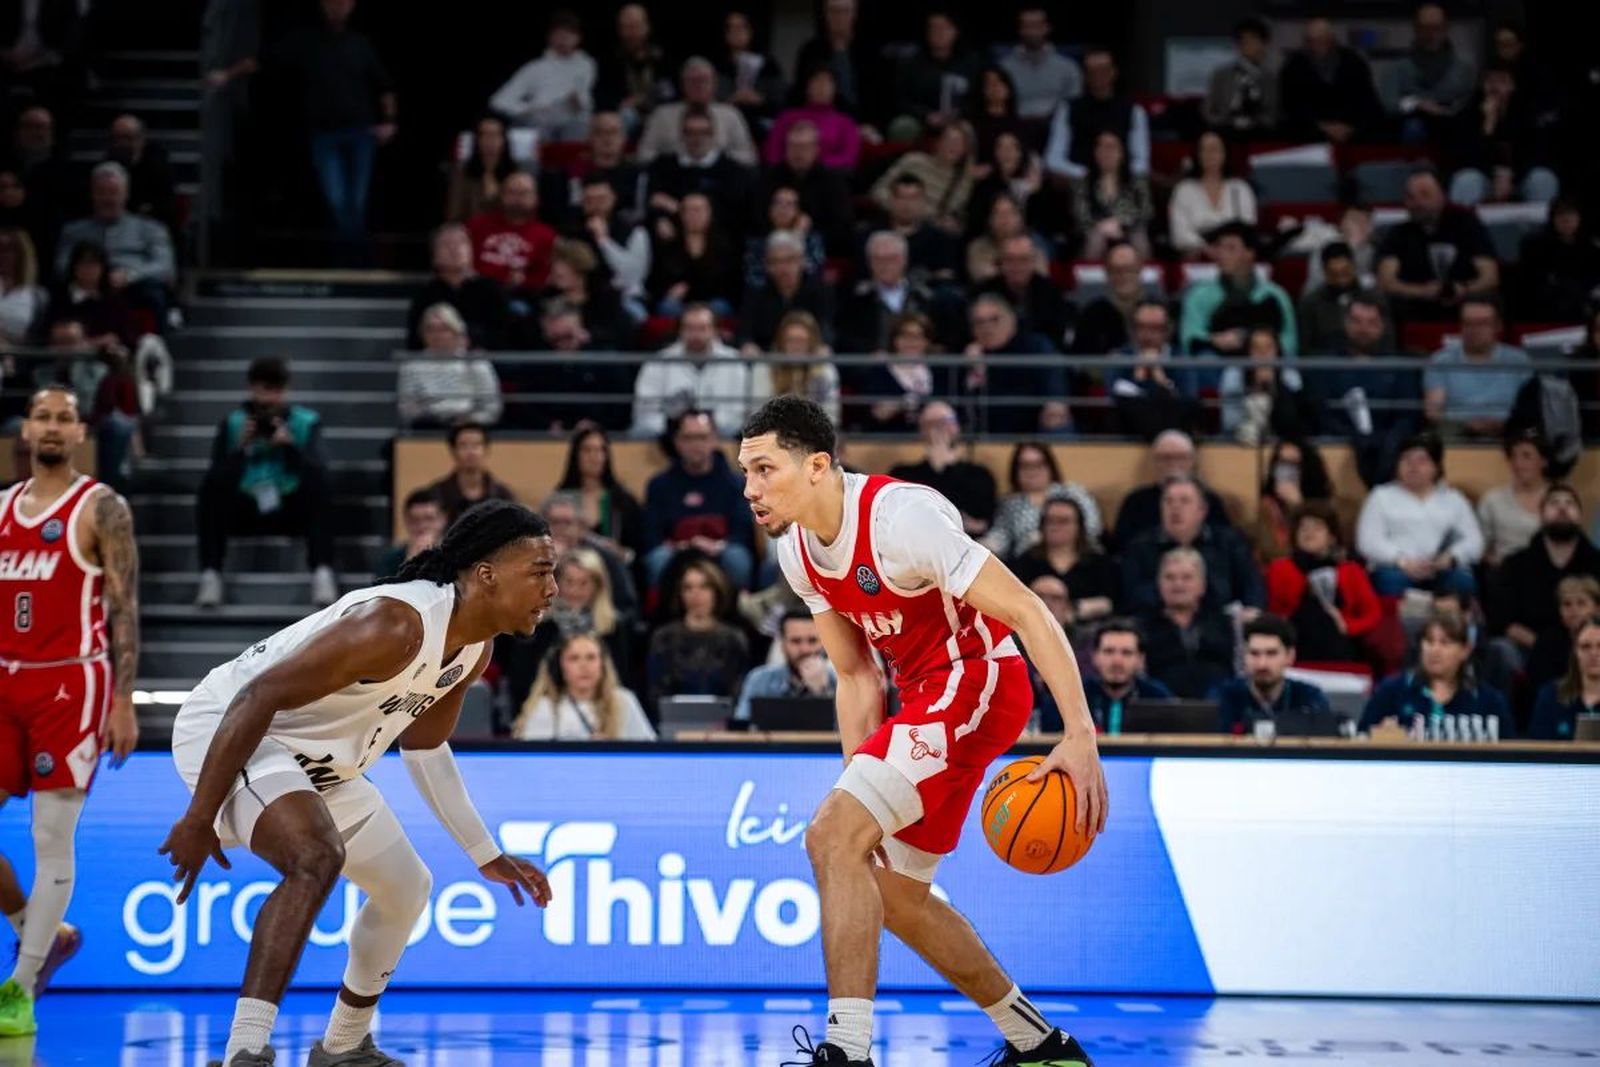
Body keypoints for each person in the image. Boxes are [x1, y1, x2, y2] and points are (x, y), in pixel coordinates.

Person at [736, 395, 1104, 1067]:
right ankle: (1043, 1046)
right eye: (746, 472)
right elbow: (855, 678)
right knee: (896, 896)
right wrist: (862, 795)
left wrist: (1080, 731)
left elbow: (1025, 607)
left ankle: (847, 1053)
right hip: (923, 698)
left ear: (817, 465)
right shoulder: (797, 552)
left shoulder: (901, 520)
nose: (750, 488)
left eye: (765, 469)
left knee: (829, 835)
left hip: (980, 680)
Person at [162, 501, 556, 1066]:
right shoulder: (396, 623)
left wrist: (483, 853)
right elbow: (258, 697)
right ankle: (244, 1051)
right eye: (540, 571)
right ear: (486, 575)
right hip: (232, 728)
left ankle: (344, 1047)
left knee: (406, 887)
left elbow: (424, 746)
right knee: (316, 856)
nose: (553, 588)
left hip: (318, 762)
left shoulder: (472, 648)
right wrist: (200, 817)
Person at [0, 385, 140, 1036]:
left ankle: (21, 986)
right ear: (25, 429)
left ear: (80, 431)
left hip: (70, 683)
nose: (52, 426)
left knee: (49, 835)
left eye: (63, 417)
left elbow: (124, 607)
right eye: (41, 416)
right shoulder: (1, 508)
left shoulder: (101, 506)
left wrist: (122, 699)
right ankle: (40, 930)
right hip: (5, 680)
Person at [194, 358, 335, 609]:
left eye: (276, 391)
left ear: (286, 390)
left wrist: (290, 446)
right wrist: (240, 448)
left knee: (321, 485)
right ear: (252, 389)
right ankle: (211, 573)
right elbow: (216, 475)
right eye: (264, 391)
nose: (269, 401)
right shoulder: (233, 423)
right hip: (246, 506)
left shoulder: (306, 422)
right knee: (210, 489)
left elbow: (317, 472)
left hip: (289, 506)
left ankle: (322, 570)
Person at [272, 0, 396, 240]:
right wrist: (227, 74)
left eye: (342, 3)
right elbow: (266, 60)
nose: (336, 7)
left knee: (357, 202)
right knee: (338, 200)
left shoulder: (360, 45)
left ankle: (355, 263)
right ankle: (350, 262)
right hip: (325, 135)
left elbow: (385, 87)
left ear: (351, 6)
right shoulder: (308, 43)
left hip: (360, 134)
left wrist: (390, 121)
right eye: (332, 3)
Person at [1355, 432, 1482, 598]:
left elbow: (1474, 541)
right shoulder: (1381, 496)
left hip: (1441, 568)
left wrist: (1450, 558)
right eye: (1406, 459)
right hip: (1396, 569)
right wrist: (1402, 561)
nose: (1412, 466)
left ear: (1436, 466)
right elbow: (1368, 541)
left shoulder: (1453, 499)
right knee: (1390, 581)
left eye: (1421, 460)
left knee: (1462, 581)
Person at [1490, 485, 1600, 669]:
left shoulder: (1597, 563)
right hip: (1529, 648)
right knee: (1501, 649)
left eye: (1570, 503)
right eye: (1554, 503)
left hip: (1592, 649)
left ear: (1580, 516)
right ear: (1541, 516)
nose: (1562, 508)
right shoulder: (1515, 564)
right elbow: (1504, 621)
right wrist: (1545, 648)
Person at [641, 410, 754, 589]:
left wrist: (717, 546)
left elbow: (741, 534)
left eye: (702, 437)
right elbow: (652, 535)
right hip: (676, 552)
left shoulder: (736, 484)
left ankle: (737, 609)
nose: (696, 445)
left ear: (714, 439)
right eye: (688, 438)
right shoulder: (659, 485)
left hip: (719, 550)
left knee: (737, 559)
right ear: (677, 442)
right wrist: (681, 547)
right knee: (657, 560)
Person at [1121, 475, 1264, 613]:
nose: (1175, 508)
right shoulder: (1141, 546)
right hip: (1157, 625)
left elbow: (1252, 588)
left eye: (1184, 501)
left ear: (1202, 510)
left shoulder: (1229, 542)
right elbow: (1132, 595)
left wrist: (1251, 611)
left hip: (1220, 624)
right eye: (1168, 501)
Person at [1357, 611, 1512, 737]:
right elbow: (1361, 739)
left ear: (1465, 650)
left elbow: (1510, 757)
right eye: (1429, 641)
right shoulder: (1391, 691)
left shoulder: (1488, 701)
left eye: (1445, 643)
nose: (1434, 650)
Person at [1265, 503, 1384, 666]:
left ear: (1331, 536)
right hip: (1296, 639)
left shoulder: (1351, 570)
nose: (1309, 533)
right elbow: (1274, 611)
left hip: (1339, 641)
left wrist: (1347, 626)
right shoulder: (1280, 569)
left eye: (1317, 528)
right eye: (1303, 528)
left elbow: (1373, 613)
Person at [1375, 169, 1499, 324]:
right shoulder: (1398, 233)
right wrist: (1422, 291)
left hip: (1465, 304)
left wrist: (1464, 289)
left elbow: (1490, 276)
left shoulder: (1468, 225)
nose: (1418, 203)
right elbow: (1386, 282)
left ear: (1442, 196)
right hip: (1415, 308)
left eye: (1425, 195)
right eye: (1411, 197)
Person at [55, 162, 176, 321]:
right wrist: (92, 276)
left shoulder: (151, 229)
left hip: (133, 286)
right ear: (92, 194)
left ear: (126, 195)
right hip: (86, 285)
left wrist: (129, 276)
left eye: (113, 192)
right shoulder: (73, 231)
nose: (107, 199)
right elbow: (61, 265)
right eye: (101, 192)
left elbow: (164, 266)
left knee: (154, 294)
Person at [1179, 221, 1297, 369]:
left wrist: (1260, 346)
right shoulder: (1198, 295)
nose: (1221, 254)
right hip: (1218, 362)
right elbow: (1189, 337)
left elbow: (1289, 341)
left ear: (1250, 253)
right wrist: (1215, 340)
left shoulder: (1275, 294)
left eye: (1230, 248)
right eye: (1219, 248)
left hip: (1265, 364)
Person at [632, 304, 762, 436]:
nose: (696, 335)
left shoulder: (734, 362)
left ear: (715, 330)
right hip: (669, 440)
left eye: (702, 328)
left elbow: (741, 413)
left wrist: (709, 424)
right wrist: (678, 424)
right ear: (680, 330)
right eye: (689, 328)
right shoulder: (658, 362)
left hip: (724, 438)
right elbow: (645, 414)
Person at [1444, 63, 1558, 206]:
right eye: (1490, 81)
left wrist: (1510, 175)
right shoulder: (1468, 116)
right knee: (1466, 180)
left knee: (1543, 178)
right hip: (1484, 177)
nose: (1495, 87)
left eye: (1502, 81)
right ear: (1483, 86)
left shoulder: (1527, 114)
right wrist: (1488, 125)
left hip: (1519, 178)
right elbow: (1463, 158)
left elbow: (1536, 153)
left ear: (1513, 86)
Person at [646, 558, 749, 712]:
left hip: (722, 724)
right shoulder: (664, 638)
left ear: (716, 591)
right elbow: (656, 692)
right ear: (680, 594)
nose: (696, 594)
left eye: (704, 587)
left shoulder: (733, 639)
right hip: (673, 721)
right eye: (688, 588)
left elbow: (738, 693)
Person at [961, 295, 1071, 436]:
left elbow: (1054, 383)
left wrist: (1055, 402)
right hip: (991, 429)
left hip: (1036, 427)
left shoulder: (1036, 346)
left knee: (1058, 420)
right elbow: (970, 412)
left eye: (994, 320)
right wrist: (976, 373)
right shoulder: (969, 357)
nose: (987, 327)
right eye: (979, 322)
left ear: (1011, 320)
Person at [1136, 547, 1237, 699]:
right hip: (1160, 710)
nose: (1178, 584)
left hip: (1218, 709)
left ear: (1202, 585)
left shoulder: (1226, 624)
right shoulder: (1143, 627)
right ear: (1159, 584)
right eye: (1170, 577)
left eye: (1186, 577)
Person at [513, 631, 654, 740]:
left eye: (591, 657)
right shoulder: (544, 707)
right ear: (560, 666)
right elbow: (535, 761)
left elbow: (648, 752)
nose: (584, 666)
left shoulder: (623, 700)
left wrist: (613, 751)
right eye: (574, 658)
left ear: (603, 665)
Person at [887, 402, 998, 537]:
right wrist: (937, 468)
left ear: (957, 427)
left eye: (945, 421)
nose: (939, 429)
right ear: (921, 430)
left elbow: (983, 520)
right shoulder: (902, 475)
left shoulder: (980, 475)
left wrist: (948, 468)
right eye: (931, 423)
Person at [1423, 298, 1530, 437]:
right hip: (1456, 435)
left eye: (1482, 323)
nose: (1473, 330)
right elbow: (1433, 412)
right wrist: (1467, 425)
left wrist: (1503, 424)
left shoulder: (1518, 361)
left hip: (1510, 434)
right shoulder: (1440, 361)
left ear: (1498, 326)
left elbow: (1529, 408)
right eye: (1467, 323)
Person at [644, 107, 757, 237]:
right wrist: (661, 218)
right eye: (690, 133)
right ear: (682, 135)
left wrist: (679, 208)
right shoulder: (662, 167)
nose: (697, 139)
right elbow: (654, 202)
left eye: (704, 132)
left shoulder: (733, 171)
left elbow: (736, 212)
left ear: (713, 134)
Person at [1043, 47, 1149, 181]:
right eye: (1092, 72)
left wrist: (1116, 176)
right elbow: (1053, 159)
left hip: (1121, 184)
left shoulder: (1134, 110)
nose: (1098, 76)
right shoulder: (1067, 109)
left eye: (1103, 70)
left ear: (1113, 72)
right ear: (1085, 76)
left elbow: (1141, 162)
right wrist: (1086, 175)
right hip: (1078, 181)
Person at [1009, 495, 1119, 624]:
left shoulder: (1099, 562)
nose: (1055, 526)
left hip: (1088, 630)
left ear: (1079, 526)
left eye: (1063, 521)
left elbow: (1110, 602)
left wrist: (1075, 610)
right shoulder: (1025, 561)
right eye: (1049, 521)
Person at [1213, 615, 1331, 734]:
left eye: (1271, 654)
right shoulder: (1223, 697)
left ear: (1290, 656)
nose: (1262, 664)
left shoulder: (1310, 699)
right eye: (1254, 653)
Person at [488, 10, 595, 141]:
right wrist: (529, 109)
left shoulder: (586, 64)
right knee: (538, 126)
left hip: (574, 120)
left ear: (578, 38)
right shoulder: (534, 68)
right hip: (540, 121)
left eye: (569, 34)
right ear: (550, 37)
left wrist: (577, 102)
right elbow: (499, 101)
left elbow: (584, 101)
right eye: (559, 34)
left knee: (582, 124)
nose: (564, 39)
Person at [1110, 430, 1230, 546]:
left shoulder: (1211, 501)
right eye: (1165, 458)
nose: (1173, 464)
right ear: (1154, 462)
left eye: (1180, 457)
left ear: (1192, 461)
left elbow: (1224, 544)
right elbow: (1123, 548)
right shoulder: (1135, 502)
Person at [985, 441, 1102, 560]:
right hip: (1029, 565)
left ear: (1050, 466)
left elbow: (1093, 527)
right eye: (1025, 465)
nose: (1032, 471)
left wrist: (1047, 538)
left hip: (1077, 559)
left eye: (1039, 464)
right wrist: (984, 546)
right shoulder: (1010, 504)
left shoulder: (1074, 493)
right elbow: (1000, 536)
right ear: (1016, 471)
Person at [635, 57, 759, 166]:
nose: (698, 85)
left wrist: (712, 159)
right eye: (692, 81)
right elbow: (644, 155)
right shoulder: (661, 115)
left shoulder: (731, 114)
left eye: (704, 80)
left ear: (714, 84)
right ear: (683, 84)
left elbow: (747, 157)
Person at [1277, 17, 1383, 143]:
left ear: (1332, 39)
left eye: (1322, 40)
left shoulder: (1354, 62)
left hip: (1352, 129)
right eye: (1311, 41)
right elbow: (1290, 107)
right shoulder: (1293, 66)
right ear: (1306, 42)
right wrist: (1323, 127)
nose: (1317, 45)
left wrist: (1350, 128)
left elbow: (1368, 102)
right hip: (1310, 131)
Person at [406, 223, 509, 351]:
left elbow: (503, 334)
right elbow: (415, 340)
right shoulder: (425, 294)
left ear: (472, 250)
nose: (454, 249)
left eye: (461, 243)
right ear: (434, 255)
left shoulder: (492, 290)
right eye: (446, 244)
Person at [835, 231, 937, 357]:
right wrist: (870, 354)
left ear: (904, 260)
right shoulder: (854, 302)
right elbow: (846, 341)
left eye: (891, 258)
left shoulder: (925, 297)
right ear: (869, 262)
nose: (885, 265)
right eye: (878, 259)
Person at [399, 304, 503, 428]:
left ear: (456, 331)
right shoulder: (412, 366)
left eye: (443, 329)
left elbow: (492, 408)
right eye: (430, 329)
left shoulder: (475, 363)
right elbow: (406, 407)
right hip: (429, 426)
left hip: (470, 426)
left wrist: (470, 419)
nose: (436, 335)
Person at [1107, 300, 1197, 440]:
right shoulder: (1120, 358)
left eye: (1155, 328)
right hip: (1129, 432)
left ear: (1168, 330)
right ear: (1132, 330)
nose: (1147, 335)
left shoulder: (1182, 359)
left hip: (1174, 434)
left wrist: (1157, 376)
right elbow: (1114, 396)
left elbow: (1188, 398)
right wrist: (1144, 379)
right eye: (1141, 327)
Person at [762, 121, 855, 256]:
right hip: (772, 248)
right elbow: (757, 217)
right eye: (793, 147)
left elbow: (841, 226)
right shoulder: (769, 178)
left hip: (821, 248)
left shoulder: (832, 182)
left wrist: (808, 230)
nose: (798, 153)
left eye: (804, 147)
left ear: (816, 149)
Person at [646, 192, 743, 318]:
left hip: (713, 302)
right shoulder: (669, 244)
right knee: (667, 307)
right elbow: (657, 280)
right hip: (679, 304)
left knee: (720, 307)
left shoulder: (724, 244)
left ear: (709, 213)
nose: (693, 215)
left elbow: (729, 283)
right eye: (687, 210)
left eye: (698, 210)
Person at [555, 423, 643, 561]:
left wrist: (621, 553)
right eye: (587, 450)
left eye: (600, 450)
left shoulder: (623, 501)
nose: (594, 456)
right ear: (575, 456)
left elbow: (638, 551)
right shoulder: (560, 500)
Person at [889, 11, 981, 140]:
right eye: (933, 28)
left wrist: (958, 114)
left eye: (944, 28)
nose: (938, 33)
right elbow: (900, 100)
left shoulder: (970, 63)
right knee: (903, 125)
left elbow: (977, 98)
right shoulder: (911, 63)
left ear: (955, 31)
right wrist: (926, 115)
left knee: (970, 127)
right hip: (922, 120)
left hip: (959, 119)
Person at [852, 311, 949, 434]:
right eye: (905, 336)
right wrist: (898, 405)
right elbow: (875, 414)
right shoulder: (880, 371)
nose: (911, 342)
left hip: (930, 439)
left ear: (927, 341)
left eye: (918, 337)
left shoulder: (938, 371)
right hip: (889, 439)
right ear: (895, 340)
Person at [972, 235, 1072, 354]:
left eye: (1023, 260)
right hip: (993, 353)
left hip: (1037, 356)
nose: (1017, 266)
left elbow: (1056, 333)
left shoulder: (1050, 290)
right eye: (1010, 260)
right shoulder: (983, 290)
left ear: (1033, 262)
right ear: (1001, 263)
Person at [733, 609, 837, 722]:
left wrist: (822, 693)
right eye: (796, 641)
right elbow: (742, 726)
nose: (805, 649)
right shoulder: (760, 679)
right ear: (782, 644)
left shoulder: (840, 681)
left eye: (812, 641)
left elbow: (846, 733)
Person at [738, 232, 835, 353]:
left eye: (789, 260)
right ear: (767, 266)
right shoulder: (756, 293)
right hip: (768, 359)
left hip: (810, 357)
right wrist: (747, 344)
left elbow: (828, 327)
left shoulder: (821, 290)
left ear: (802, 261)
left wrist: (824, 344)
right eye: (776, 261)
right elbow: (744, 332)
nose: (783, 268)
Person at [1393, 3, 1476, 142]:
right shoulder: (1397, 68)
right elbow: (1388, 104)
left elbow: (1469, 105)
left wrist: (1446, 111)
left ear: (1446, 28)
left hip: (1453, 133)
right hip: (1411, 134)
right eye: (1425, 28)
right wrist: (1416, 103)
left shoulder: (1464, 69)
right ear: (1416, 29)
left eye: (1437, 27)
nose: (1432, 34)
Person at [1168, 131, 1258, 257]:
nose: (1210, 155)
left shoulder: (1240, 188)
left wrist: (1226, 249)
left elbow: (1248, 226)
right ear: (1197, 155)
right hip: (1197, 256)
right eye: (1204, 150)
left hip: (1234, 255)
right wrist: (1207, 250)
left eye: (1215, 149)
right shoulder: (1183, 189)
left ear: (1225, 153)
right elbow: (1179, 235)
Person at [1219, 328, 1315, 445]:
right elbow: (1229, 423)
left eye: (1268, 348)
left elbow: (1293, 422)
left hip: (1281, 441)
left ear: (1277, 351)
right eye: (1256, 348)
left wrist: (1275, 387)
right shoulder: (1233, 375)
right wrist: (1256, 391)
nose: (1263, 354)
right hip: (1240, 441)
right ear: (1248, 352)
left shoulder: (1290, 376)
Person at [1075, 619, 1172, 734]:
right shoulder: (1075, 696)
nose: (1117, 662)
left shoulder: (1158, 698)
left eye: (1126, 653)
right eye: (1109, 651)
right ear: (1095, 656)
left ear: (1140, 659)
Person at [465, 171, 556, 292]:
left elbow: (545, 276)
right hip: (475, 290)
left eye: (524, 193)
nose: (517, 198)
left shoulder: (547, 235)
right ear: (501, 196)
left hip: (523, 296)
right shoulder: (476, 225)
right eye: (512, 192)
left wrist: (525, 281)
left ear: (536, 198)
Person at [1515, 198, 1600, 324]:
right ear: (1552, 219)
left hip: (1587, 300)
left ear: (1579, 218)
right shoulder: (1535, 247)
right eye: (1560, 215)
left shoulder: (1591, 246)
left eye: (1571, 215)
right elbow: (1532, 282)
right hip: (1550, 304)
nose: (1566, 221)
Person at [1070, 130, 1153, 259]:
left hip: (1128, 231)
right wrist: (1102, 227)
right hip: (1095, 232)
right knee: (1095, 238)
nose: (1106, 152)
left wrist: (1121, 224)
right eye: (1101, 147)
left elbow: (1146, 211)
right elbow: (1080, 215)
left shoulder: (1137, 182)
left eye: (1111, 147)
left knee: (1140, 238)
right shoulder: (1082, 183)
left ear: (1122, 152)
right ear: (1095, 152)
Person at [1298, 241, 1390, 355]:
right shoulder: (1311, 303)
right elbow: (1305, 349)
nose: (1341, 281)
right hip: (1326, 365)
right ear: (1325, 272)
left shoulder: (1375, 298)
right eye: (1334, 274)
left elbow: (1388, 341)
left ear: (1354, 267)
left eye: (1345, 273)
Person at [422, 422, 517, 526]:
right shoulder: (437, 493)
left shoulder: (502, 495)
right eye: (463, 445)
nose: (470, 452)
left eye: (476, 445)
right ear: (453, 451)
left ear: (486, 450)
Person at [594, 3, 671, 132]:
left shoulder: (663, 58)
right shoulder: (609, 61)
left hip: (658, 112)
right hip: (625, 117)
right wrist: (621, 103)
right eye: (627, 27)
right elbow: (601, 95)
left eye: (636, 26)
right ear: (620, 30)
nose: (632, 33)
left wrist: (647, 100)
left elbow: (671, 91)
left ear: (646, 27)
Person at [1477, 430, 1549, 566]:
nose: (1518, 463)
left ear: (1543, 461)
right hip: (1503, 576)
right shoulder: (1493, 500)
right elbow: (1479, 549)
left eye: (1526, 456)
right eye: (1513, 456)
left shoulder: (1559, 500)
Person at [767, 66, 859, 171]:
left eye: (828, 81)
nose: (822, 86)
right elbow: (773, 154)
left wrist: (814, 164)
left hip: (829, 177)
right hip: (787, 175)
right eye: (817, 80)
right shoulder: (786, 117)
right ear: (807, 86)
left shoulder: (846, 123)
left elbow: (849, 157)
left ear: (835, 88)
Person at [1255, 438, 1332, 562]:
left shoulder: (1326, 504)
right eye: (1282, 463)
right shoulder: (1267, 506)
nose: (1286, 471)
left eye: (1293, 464)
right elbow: (1272, 552)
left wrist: (1298, 505)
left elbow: (1326, 546)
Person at [999, 5, 1082, 120]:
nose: (1032, 32)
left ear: (1047, 28)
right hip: (1016, 127)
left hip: (1057, 127)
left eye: (1037, 26)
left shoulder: (1068, 67)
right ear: (1020, 30)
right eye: (1027, 26)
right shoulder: (1004, 68)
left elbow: (1075, 104)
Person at [1071, 241, 1150, 357]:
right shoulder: (1092, 313)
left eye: (1129, 269)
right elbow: (1081, 359)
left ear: (1140, 269)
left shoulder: (1156, 310)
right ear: (1107, 273)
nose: (1124, 276)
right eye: (1117, 270)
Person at [763, 310, 842, 424]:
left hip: (814, 435)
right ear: (781, 343)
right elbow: (757, 414)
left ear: (812, 343)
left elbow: (831, 416)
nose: (796, 347)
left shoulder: (825, 370)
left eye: (802, 341)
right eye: (791, 340)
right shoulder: (766, 368)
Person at [1529, 616, 1600, 740]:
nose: (1594, 653)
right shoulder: (1551, 696)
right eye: (1586, 647)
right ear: (1575, 652)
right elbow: (1538, 749)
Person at [1526, 576, 1600, 695]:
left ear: (1597, 609)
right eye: (1567, 604)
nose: (1573, 609)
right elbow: (1539, 682)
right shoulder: (1547, 641)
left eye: (1581, 603)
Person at [1204, 18, 1278, 137]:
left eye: (1254, 40)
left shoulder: (1270, 78)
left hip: (1259, 134)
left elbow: (1272, 113)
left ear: (1264, 44)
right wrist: (1223, 123)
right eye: (1244, 41)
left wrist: (1255, 123)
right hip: (1225, 131)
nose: (1249, 45)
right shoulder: (1221, 75)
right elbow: (1209, 109)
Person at [746, 184, 827, 291]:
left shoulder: (812, 240)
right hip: (765, 298)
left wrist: (797, 236)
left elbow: (813, 273)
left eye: (789, 204)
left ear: (798, 211)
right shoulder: (757, 243)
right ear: (770, 210)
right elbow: (754, 279)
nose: (783, 209)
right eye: (778, 203)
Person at [716, 10, 786, 128]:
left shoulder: (768, 64)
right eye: (731, 28)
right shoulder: (719, 65)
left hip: (761, 120)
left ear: (750, 31)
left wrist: (759, 99)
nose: (736, 32)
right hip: (726, 121)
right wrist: (733, 99)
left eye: (741, 27)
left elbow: (780, 100)